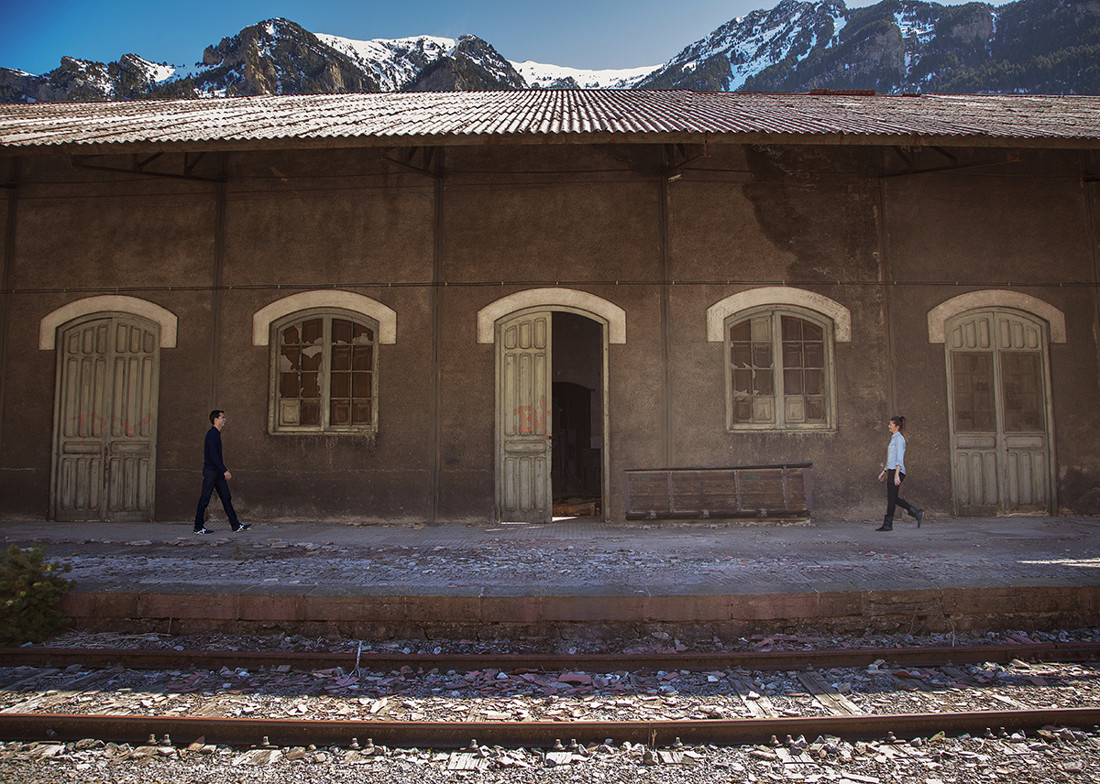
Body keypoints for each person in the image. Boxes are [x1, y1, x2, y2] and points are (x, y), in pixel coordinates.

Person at [194, 410, 250, 534]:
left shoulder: (215, 434)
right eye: (222, 417)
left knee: (226, 497)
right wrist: (224, 470)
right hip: (211, 472)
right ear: (216, 419)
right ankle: (198, 526)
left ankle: (235, 525)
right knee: (205, 499)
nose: (224, 420)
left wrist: (221, 471)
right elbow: (214, 455)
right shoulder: (212, 434)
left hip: (216, 472)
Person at [876, 415, 923, 531]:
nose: (889, 426)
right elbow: (891, 458)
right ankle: (915, 513)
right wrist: (884, 471)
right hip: (892, 470)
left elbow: (899, 459)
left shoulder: (899, 439)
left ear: (897, 426)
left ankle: (888, 524)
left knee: (892, 499)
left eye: (891, 425)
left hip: (897, 471)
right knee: (893, 498)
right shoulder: (894, 438)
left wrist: (897, 474)